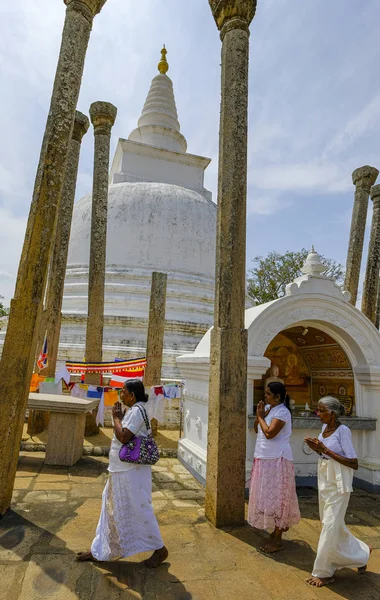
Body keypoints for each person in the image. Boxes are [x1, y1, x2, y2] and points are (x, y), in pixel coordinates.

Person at [76, 379, 168, 567]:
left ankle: (160, 549)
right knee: (113, 510)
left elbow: (124, 436)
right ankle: (101, 550)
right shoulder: (136, 410)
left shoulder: (136, 411)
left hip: (130, 472)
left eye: (123, 392)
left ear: (132, 395)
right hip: (122, 470)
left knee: (139, 509)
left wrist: (116, 417)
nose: (121, 395)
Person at [304, 396, 371, 588]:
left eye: (321, 411)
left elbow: (353, 462)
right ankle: (362, 552)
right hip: (325, 478)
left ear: (331, 413)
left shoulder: (343, 431)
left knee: (330, 526)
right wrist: (318, 449)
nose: (318, 414)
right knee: (331, 524)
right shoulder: (324, 429)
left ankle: (324, 572)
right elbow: (327, 453)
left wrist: (324, 448)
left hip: (339, 481)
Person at [248, 381, 300, 553]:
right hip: (265, 458)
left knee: (279, 499)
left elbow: (270, 433)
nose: (265, 396)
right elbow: (258, 429)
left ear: (278, 397)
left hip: (278, 459)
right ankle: (275, 531)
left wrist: (262, 417)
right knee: (268, 498)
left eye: (268, 394)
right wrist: (260, 416)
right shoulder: (272, 410)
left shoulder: (283, 412)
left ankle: (278, 539)